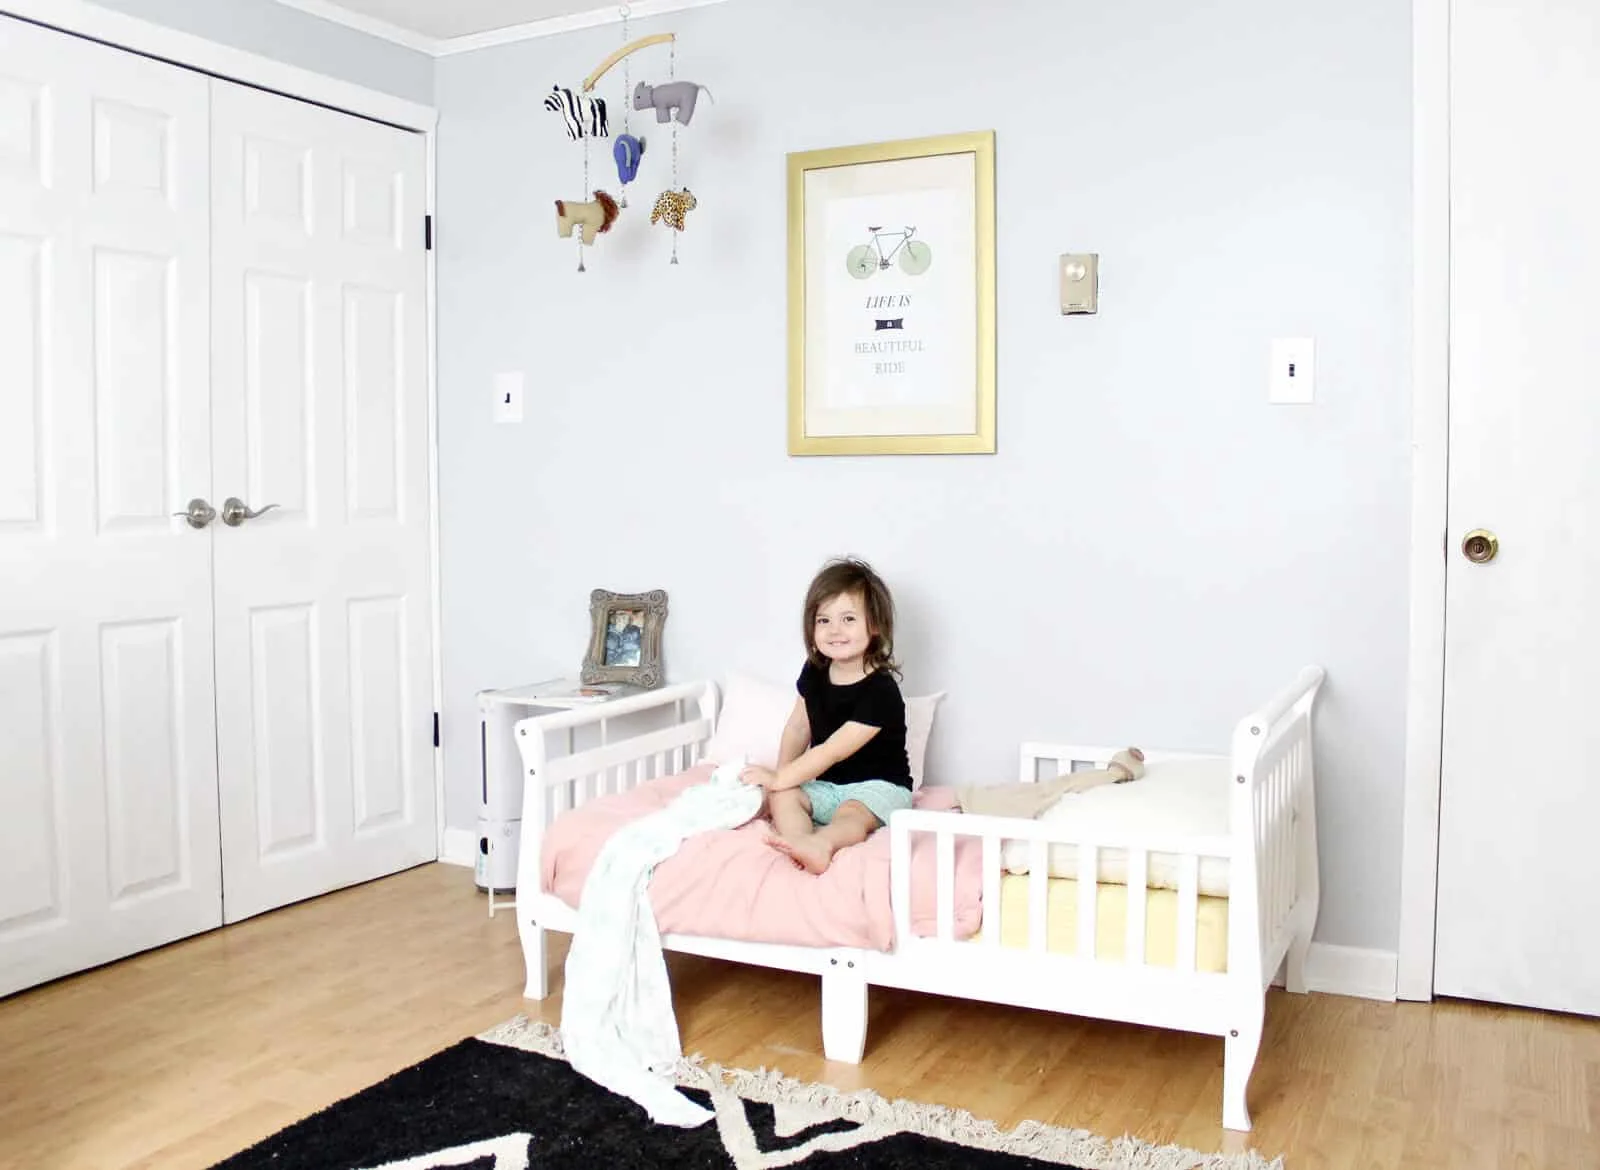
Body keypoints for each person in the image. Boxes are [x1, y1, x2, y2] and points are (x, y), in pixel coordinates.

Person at [740, 557, 913, 873]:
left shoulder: (881, 690)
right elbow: (797, 728)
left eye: (848, 619)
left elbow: (832, 750)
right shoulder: (816, 670)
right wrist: (783, 778)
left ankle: (825, 842)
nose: (835, 630)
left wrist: (779, 777)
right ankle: (799, 841)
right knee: (784, 797)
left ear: (874, 626)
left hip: (879, 787)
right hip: (827, 786)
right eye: (824, 620)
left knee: (852, 813)